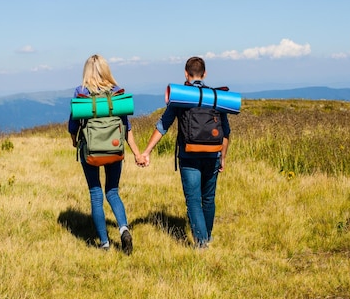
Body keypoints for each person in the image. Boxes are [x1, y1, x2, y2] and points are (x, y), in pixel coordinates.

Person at [141, 56, 230, 248]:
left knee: (193, 200)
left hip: (189, 155)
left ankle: (201, 243)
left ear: (186, 74)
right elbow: (225, 131)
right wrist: (222, 157)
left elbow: (163, 125)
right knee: (208, 197)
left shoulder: (181, 96)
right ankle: (207, 237)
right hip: (213, 154)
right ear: (204, 74)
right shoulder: (216, 97)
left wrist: (147, 151)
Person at [68, 54, 145, 254]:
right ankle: (124, 228)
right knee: (112, 191)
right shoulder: (117, 94)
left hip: (91, 151)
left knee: (96, 194)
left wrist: (74, 139)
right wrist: (137, 153)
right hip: (114, 149)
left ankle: (104, 243)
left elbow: (72, 125)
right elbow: (127, 128)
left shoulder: (81, 93)